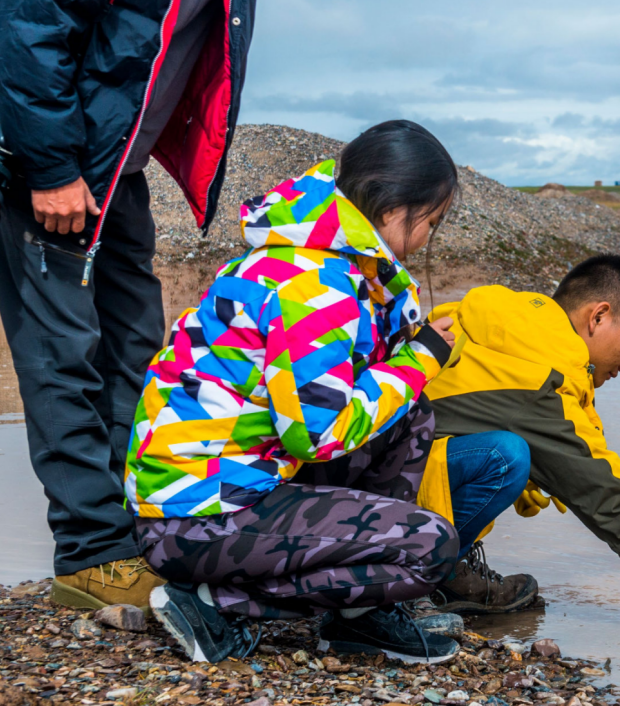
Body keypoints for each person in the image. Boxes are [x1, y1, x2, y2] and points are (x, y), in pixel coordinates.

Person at [0, 0, 559, 606]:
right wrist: (49, 168)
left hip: (115, 165)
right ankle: (90, 559)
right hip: (45, 165)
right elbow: (26, 22)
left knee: (134, 345)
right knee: (62, 354)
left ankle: (148, 536)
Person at [125, 121, 529, 663]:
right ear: (393, 209)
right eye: (431, 221)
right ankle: (215, 604)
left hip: (224, 489)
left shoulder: (319, 263)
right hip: (196, 518)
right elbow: (317, 435)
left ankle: (361, 617)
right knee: (429, 549)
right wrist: (418, 360)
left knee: (410, 417)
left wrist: (406, 348)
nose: (429, 237)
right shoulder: (314, 286)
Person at [422, 255, 620, 614]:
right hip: (380, 498)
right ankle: (429, 573)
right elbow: (602, 492)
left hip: (353, 472)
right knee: (505, 458)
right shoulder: (541, 376)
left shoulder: (510, 324)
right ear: (599, 316)